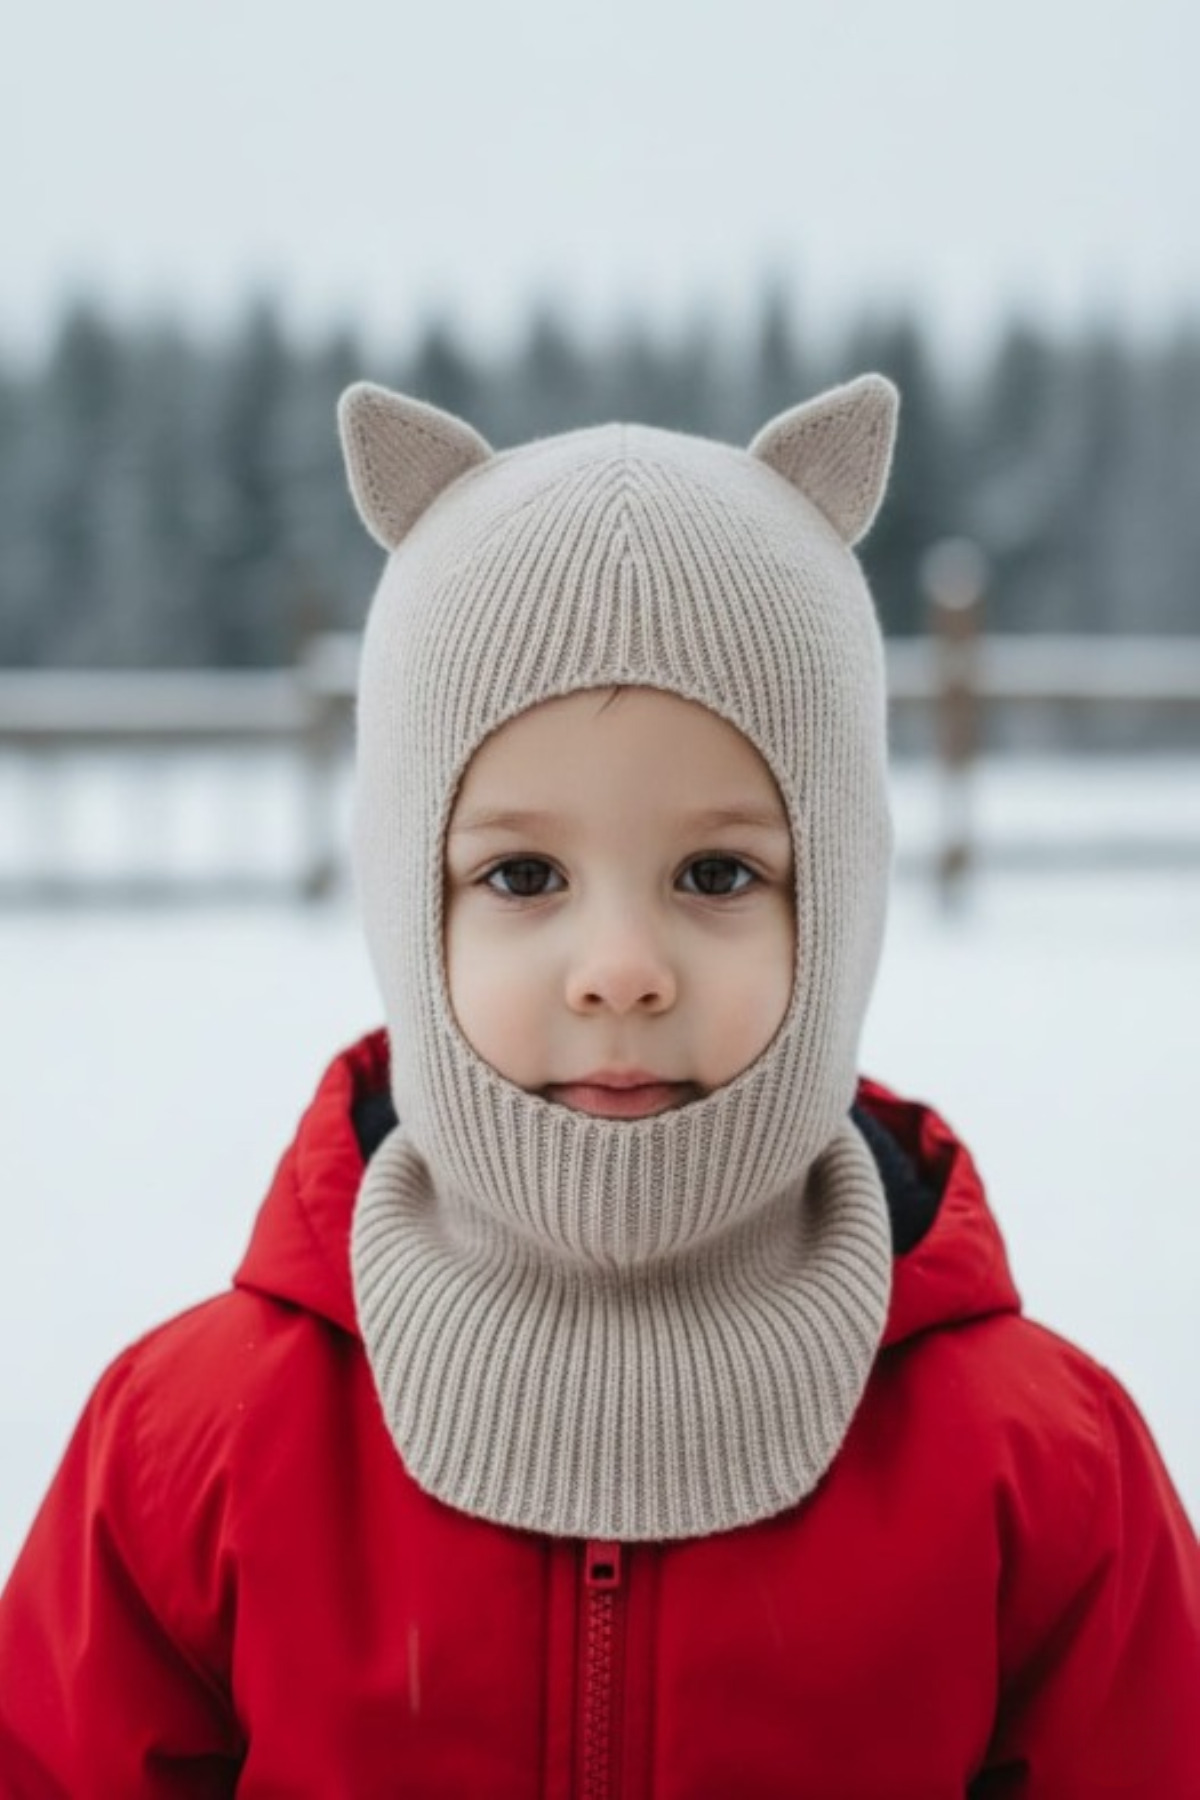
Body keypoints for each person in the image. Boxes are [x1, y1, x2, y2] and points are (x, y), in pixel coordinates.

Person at [1, 374, 1197, 1797]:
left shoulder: (1041, 1477)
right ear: (408, 904)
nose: (619, 968)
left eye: (717, 875)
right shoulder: (190, 1451)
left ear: (843, 898)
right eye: (523, 875)